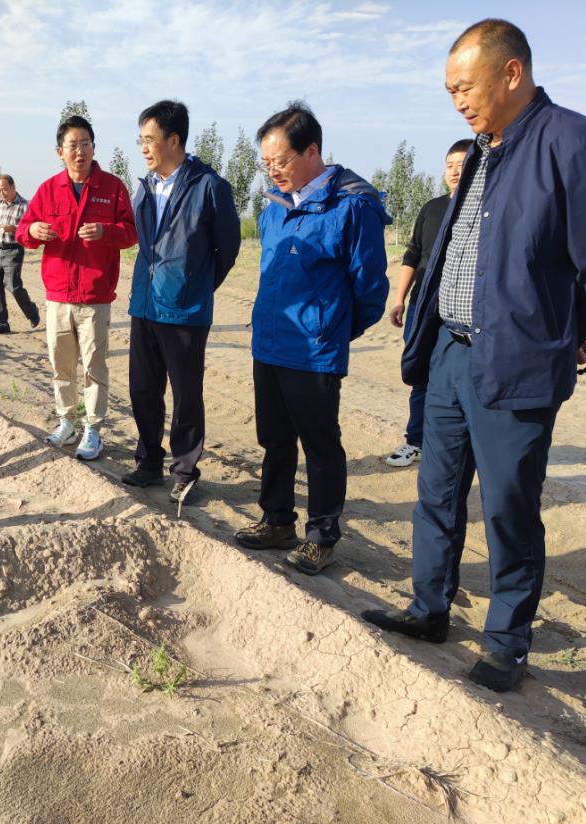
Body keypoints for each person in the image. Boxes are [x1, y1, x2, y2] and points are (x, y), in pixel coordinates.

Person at [362, 19, 586, 692]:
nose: (457, 101)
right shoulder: (485, 149)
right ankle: (428, 608)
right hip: (449, 353)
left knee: (509, 508)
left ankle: (506, 645)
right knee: (436, 493)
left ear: (511, 73)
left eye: (464, 87)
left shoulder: (579, 144)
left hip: (517, 361)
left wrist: (557, 330)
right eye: (449, 91)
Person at [233, 102, 390, 574]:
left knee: (320, 445)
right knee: (274, 439)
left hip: (314, 351)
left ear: (312, 151)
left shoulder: (352, 207)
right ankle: (276, 520)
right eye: (266, 163)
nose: (273, 171)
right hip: (270, 344)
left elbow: (370, 289)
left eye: (280, 161)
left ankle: (321, 535)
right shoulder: (274, 208)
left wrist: (331, 329)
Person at [123, 100, 240, 503]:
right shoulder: (146, 186)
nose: (143, 147)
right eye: (140, 140)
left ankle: (185, 471)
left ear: (174, 140)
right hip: (145, 304)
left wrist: (195, 285)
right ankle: (148, 461)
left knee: (186, 394)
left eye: (149, 139)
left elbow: (228, 249)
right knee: (142, 388)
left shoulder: (210, 187)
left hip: (185, 310)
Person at [16, 115, 137, 461]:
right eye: (72, 145)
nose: (79, 151)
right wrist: (33, 231)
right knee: (61, 365)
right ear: (60, 152)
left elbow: (131, 232)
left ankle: (93, 429)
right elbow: (24, 231)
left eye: (85, 143)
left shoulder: (112, 188)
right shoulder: (48, 189)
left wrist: (106, 232)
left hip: (94, 297)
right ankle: (66, 422)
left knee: (95, 367)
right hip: (58, 296)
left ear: (94, 148)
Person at [384, 139, 473, 468]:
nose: (454, 171)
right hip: (423, 308)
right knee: (420, 373)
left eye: (462, 165)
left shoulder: (482, 213)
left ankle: (459, 447)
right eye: (450, 165)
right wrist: (399, 300)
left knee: (460, 381)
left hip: (461, 314)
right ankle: (416, 441)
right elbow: (412, 255)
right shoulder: (432, 208)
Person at [0, 174, 40, 334]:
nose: (1, 193)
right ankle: (2, 323)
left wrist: (15, 229)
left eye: (4, 189)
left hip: (13, 250)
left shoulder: (24, 205)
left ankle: (32, 312)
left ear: (13, 187)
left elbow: (30, 229)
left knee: (13, 286)